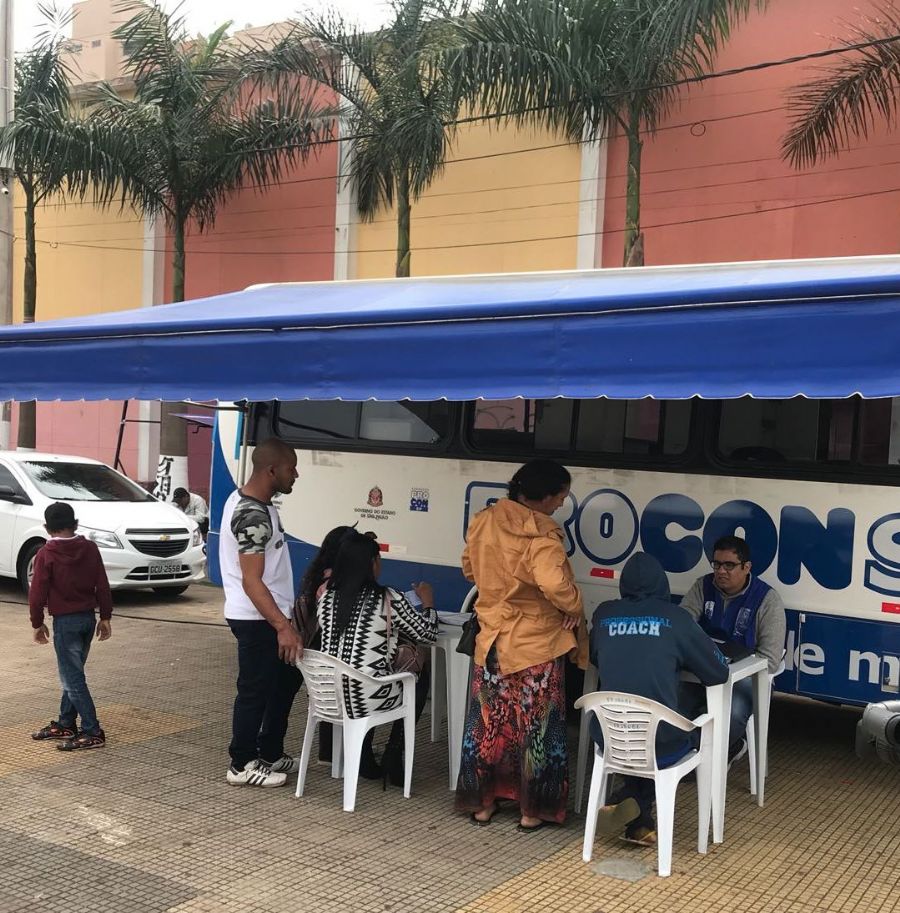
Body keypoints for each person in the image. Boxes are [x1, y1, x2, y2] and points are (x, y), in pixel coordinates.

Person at [455, 459, 586, 832]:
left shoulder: (484, 521)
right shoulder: (541, 534)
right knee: (537, 729)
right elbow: (554, 584)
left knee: (490, 726)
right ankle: (532, 811)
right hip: (535, 645)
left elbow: (469, 569)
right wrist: (574, 607)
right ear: (544, 496)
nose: (561, 504)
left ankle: (483, 804)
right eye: (560, 496)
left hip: (491, 642)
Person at [589, 552, 728, 845]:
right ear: (662, 583)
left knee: (643, 729)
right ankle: (634, 802)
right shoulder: (676, 619)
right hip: (659, 745)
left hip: (610, 739)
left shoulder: (603, 614)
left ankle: (636, 812)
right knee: (688, 725)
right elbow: (718, 672)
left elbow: (596, 657)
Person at [316, 530, 438, 786]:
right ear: (372, 563)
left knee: (364, 672)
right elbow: (427, 633)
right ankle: (395, 751)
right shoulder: (388, 598)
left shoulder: (327, 597)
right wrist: (428, 603)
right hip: (367, 699)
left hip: (328, 696)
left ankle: (363, 752)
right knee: (418, 675)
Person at [221, 437, 304, 788]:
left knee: (285, 681)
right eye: (291, 468)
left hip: (270, 615)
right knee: (254, 690)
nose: (296, 475)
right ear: (271, 470)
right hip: (257, 619)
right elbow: (251, 580)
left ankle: (269, 752)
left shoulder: (259, 505)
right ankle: (241, 764)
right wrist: (283, 626)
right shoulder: (252, 515)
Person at [679, 535, 787, 765]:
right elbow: (680, 628)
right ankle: (690, 756)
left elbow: (770, 660)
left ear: (746, 567)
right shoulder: (702, 586)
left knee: (732, 713)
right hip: (702, 672)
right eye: (717, 564)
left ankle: (714, 755)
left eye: (729, 565)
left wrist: (730, 671)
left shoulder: (767, 599)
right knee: (673, 703)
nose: (721, 571)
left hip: (745, 678)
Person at [28, 502, 113, 751]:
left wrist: (37, 623)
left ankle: (92, 731)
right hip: (87, 619)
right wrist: (105, 616)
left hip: (65, 623)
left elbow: (37, 592)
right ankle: (66, 723)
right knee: (73, 673)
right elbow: (102, 583)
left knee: (72, 679)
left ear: (47, 527)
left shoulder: (46, 553)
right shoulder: (90, 548)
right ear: (75, 524)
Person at [296, 524, 358, 763]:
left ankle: (328, 752)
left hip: (315, 662)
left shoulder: (316, 576)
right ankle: (358, 754)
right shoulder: (336, 585)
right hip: (333, 665)